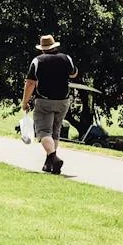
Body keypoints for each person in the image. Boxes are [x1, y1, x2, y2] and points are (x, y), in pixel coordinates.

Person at [22, 34, 78, 174]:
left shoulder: (37, 61)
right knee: (55, 131)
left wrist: (25, 102)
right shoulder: (66, 58)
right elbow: (74, 74)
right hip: (63, 101)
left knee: (43, 132)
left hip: (44, 101)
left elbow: (30, 83)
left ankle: (54, 158)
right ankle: (49, 164)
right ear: (54, 46)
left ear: (42, 49)